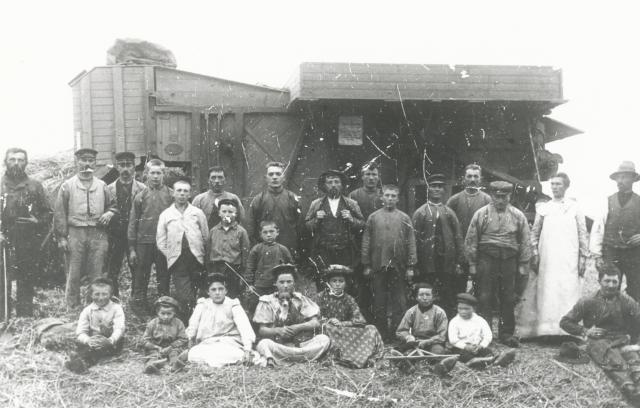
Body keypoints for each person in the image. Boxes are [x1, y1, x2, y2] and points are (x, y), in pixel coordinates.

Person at [517, 173, 588, 338]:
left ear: (566, 186)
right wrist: (535, 252)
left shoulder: (575, 208)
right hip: (547, 257)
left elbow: (582, 233)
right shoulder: (544, 208)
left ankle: (567, 330)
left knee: (567, 289)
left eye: (559, 184)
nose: (555, 187)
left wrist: (583, 257)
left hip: (568, 257)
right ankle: (546, 330)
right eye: (553, 184)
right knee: (547, 289)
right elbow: (534, 233)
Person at [560, 262, 640, 402]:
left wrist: (634, 340)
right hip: (598, 341)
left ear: (619, 282)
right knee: (612, 359)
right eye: (607, 281)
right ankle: (629, 389)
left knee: (632, 358)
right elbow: (565, 322)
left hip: (621, 339)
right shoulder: (588, 301)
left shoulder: (626, 301)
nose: (610, 285)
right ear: (599, 281)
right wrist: (585, 331)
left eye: (614, 281)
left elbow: (638, 319)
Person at [465, 181, 531, 347]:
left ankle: (506, 333)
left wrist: (523, 262)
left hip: (509, 260)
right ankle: (484, 333)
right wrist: (472, 263)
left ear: (510, 196)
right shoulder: (482, 214)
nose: (501, 200)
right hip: (487, 259)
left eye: (504, 197)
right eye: (497, 196)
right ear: (492, 196)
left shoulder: (517, 215)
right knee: (485, 296)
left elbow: (525, 240)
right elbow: (471, 239)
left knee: (508, 297)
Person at [55, 148, 119, 309]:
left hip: (98, 233)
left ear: (95, 163)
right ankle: (72, 305)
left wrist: (110, 213)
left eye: (91, 160)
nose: (87, 163)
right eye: (83, 160)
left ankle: (94, 305)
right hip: (75, 232)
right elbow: (59, 213)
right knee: (74, 271)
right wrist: (62, 237)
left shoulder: (102, 185)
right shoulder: (67, 186)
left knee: (96, 271)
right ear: (77, 162)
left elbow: (114, 206)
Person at [0, 147, 52, 318]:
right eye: (12, 159)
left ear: (26, 163)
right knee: (2, 281)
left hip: (27, 240)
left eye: (20, 160)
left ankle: (24, 319)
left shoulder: (35, 186)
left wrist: (38, 221)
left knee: (25, 280)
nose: (16, 163)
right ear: (5, 162)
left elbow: (47, 213)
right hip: (3, 239)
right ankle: (2, 319)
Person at [362, 184, 417, 340]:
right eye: (387, 195)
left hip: (398, 266)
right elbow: (366, 241)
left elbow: (411, 241)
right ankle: (381, 335)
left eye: (393, 196)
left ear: (398, 199)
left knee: (399, 302)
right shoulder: (373, 217)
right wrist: (366, 264)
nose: (390, 198)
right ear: (382, 197)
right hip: (378, 265)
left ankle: (397, 334)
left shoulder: (405, 218)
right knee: (379, 301)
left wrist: (410, 266)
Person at [253, 264, 330, 365]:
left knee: (323, 339)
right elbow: (262, 330)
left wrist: (298, 327)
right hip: (279, 346)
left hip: (301, 345)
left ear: (294, 283)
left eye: (289, 282)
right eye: (281, 282)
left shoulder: (301, 300)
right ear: (275, 283)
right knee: (263, 344)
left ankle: (284, 359)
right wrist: (278, 330)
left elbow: (315, 323)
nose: (285, 286)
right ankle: (305, 359)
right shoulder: (267, 301)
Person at [412, 174, 465, 316]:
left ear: (444, 190)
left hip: (446, 262)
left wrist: (459, 261)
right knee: (426, 292)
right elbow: (413, 239)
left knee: (447, 293)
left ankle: (446, 324)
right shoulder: (420, 212)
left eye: (440, 187)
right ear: (428, 189)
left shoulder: (449, 212)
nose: (437, 189)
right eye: (433, 186)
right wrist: (414, 263)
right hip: (426, 262)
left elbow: (458, 237)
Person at [156, 178, 208, 321]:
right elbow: (161, 240)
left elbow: (205, 235)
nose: (182, 194)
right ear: (173, 193)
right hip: (178, 260)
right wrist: (171, 254)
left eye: (185, 191)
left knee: (199, 291)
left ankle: (201, 320)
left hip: (196, 258)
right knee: (184, 294)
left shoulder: (197, 213)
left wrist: (200, 252)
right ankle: (187, 320)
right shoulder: (166, 214)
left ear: (190, 194)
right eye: (179, 191)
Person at [315, 265, 383, 368]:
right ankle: (340, 357)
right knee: (328, 329)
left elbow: (360, 320)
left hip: (344, 329)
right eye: (334, 281)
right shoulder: (320, 297)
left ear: (345, 283)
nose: (337, 284)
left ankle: (363, 358)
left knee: (371, 328)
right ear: (328, 282)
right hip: (329, 329)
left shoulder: (349, 299)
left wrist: (342, 323)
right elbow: (313, 316)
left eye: (341, 281)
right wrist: (328, 321)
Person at [590, 161, 640, 302]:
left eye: (624, 177)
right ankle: (609, 322)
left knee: (636, 291)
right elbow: (598, 229)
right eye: (618, 178)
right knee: (609, 289)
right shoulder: (607, 201)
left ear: (632, 179)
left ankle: (633, 323)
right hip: (611, 253)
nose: (620, 181)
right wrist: (597, 256)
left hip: (634, 255)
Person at [128, 159, 173, 311]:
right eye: (152, 173)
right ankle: (139, 306)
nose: (155, 176)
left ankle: (164, 307)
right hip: (144, 243)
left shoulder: (171, 195)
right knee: (141, 275)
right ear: (147, 174)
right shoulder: (140, 196)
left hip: (163, 244)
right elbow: (133, 222)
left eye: (158, 173)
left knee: (163, 276)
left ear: (164, 174)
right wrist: (132, 248)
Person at [185, 273, 258, 368]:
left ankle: (211, 363)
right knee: (193, 354)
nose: (217, 292)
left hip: (229, 343)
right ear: (208, 292)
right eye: (213, 289)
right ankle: (224, 363)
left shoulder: (233, 304)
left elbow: (245, 328)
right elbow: (193, 325)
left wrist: (247, 349)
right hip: (207, 344)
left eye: (221, 289)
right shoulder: (202, 305)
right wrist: (190, 340)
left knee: (234, 354)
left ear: (226, 291)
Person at [306, 170, 365, 277]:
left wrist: (351, 219)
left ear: (342, 185)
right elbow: (307, 226)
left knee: (345, 279)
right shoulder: (316, 204)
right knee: (323, 279)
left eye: (337, 182)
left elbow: (362, 224)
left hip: (345, 251)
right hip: (324, 251)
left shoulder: (351, 203)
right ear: (324, 185)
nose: (333, 185)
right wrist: (316, 219)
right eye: (330, 182)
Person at [446, 164, 491, 294]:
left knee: (480, 286)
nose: (472, 179)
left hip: (480, 251)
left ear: (480, 179)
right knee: (458, 285)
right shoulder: (454, 200)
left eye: (475, 176)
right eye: (469, 176)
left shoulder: (487, 200)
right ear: (463, 178)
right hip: (459, 251)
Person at [395, 283, 457, 376]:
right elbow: (401, 330)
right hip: (416, 343)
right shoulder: (411, 311)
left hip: (433, 342)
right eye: (421, 295)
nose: (424, 298)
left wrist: (428, 341)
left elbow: (442, 336)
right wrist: (408, 337)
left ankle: (437, 369)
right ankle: (408, 367)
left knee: (438, 353)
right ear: (416, 297)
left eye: (428, 295)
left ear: (433, 297)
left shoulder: (439, 312)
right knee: (407, 354)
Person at [65, 278, 125, 373]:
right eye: (97, 294)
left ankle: (83, 364)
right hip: (93, 340)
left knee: (96, 350)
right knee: (82, 344)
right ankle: (75, 360)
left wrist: (110, 340)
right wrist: (88, 340)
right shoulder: (87, 310)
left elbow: (119, 329)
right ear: (91, 295)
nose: (100, 298)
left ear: (110, 294)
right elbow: (80, 332)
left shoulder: (117, 309)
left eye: (104, 294)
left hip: (112, 341)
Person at [348, 163, 384, 321]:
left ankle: (378, 319)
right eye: (368, 174)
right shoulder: (354, 195)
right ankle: (361, 317)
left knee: (378, 284)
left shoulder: (384, 195)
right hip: (359, 244)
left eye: (374, 174)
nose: (371, 178)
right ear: (362, 177)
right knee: (361, 284)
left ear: (378, 177)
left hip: (380, 245)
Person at [106, 152, 145, 297]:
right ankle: (113, 298)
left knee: (136, 267)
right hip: (115, 234)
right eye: (122, 165)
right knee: (112, 269)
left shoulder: (142, 189)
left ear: (134, 167)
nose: (125, 169)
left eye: (129, 165)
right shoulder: (108, 189)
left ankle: (136, 298)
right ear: (117, 167)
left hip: (134, 235)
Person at [246, 162, 302, 257]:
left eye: (278, 174)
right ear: (266, 178)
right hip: (265, 250)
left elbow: (300, 226)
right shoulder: (259, 199)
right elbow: (251, 227)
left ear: (283, 177)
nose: (274, 177)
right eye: (271, 174)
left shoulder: (292, 198)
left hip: (288, 249)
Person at [448, 293, 515, 368]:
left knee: (487, 352)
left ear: (473, 309)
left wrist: (481, 346)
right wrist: (466, 347)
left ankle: (493, 361)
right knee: (464, 355)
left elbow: (488, 336)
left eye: (466, 309)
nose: (463, 311)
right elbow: (453, 340)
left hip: (477, 347)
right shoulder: (454, 322)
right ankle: (480, 362)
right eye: (460, 308)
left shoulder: (480, 320)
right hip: (461, 348)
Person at [205, 198, 250, 299]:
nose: (227, 214)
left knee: (232, 296)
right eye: (224, 211)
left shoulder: (241, 232)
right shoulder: (213, 231)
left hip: (233, 270)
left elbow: (245, 255)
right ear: (219, 213)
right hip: (216, 269)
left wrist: (243, 274)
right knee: (217, 295)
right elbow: (208, 252)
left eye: (230, 212)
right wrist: (209, 270)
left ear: (236, 214)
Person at [245, 220, 293, 312]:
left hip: (276, 286)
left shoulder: (282, 249)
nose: (268, 235)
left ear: (277, 232)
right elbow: (250, 267)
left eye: (271, 232)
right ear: (260, 234)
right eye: (265, 232)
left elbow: (290, 268)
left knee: (278, 306)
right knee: (255, 306)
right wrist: (249, 284)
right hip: (259, 286)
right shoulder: (256, 249)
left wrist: (288, 284)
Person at [141, 296, 188, 374]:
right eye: (163, 313)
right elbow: (144, 340)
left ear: (174, 313)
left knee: (174, 353)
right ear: (157, 312)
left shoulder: (178, 323)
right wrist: (155, 347)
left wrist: (171, 346)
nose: (166, 316)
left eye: (169, 314)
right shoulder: (152, 323)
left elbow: (183, 339)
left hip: (172, 347)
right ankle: (152, 365)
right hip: (157, 348)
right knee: (153, 355)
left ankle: (175, 365)